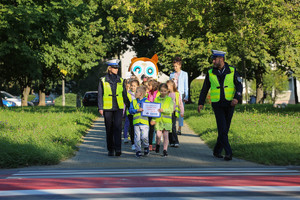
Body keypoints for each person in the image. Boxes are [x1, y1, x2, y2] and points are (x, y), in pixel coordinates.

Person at [197, 50, 243, 161]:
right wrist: (200, 103)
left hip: (230, 103)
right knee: (222, 128)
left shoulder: (232, 70)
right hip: (217, 104)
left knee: (225, 129)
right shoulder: (210, 72)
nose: (213, 61)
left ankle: (217, 150)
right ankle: (228, 153)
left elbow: (239, 86)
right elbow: (205, 89)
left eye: (214, 59)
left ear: (221, 59)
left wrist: (237, 98)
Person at [98, 59, 130, 156]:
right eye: (115, 68)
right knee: (109, 129)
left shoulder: (121, 80)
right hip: (107, 108)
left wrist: (129, 105)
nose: (116, 70)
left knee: (117, 128)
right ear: (110, 68)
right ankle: (110, 149)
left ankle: (118, 149)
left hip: (118, 107)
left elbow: (124, 94)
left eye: (117, 68)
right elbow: (100, 94)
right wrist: (100, 107)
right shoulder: (102, 80)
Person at [150, 83, 174, 157]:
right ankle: (157, 144)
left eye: (165, 91)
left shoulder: (169, 99)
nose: (163, 92)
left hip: (167, 121)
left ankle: (165, 150)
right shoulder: (156, 99)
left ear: (167, 91)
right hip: (158, 121)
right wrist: (153, 119)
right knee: (158, 135)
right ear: (159, 91)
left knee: (166, 136)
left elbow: (171, 109)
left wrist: (163, 110)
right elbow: (154, 110)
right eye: (161, 91)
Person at [129, 86, 150, 158]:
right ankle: (138, 151)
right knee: (137, 138)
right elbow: (130, 110)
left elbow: (151, 111)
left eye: (136, 92)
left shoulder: (147, 102)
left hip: (144, 124)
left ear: (141, 94)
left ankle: (146, 147)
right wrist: (137, 110)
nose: (135, 93)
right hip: (136, 123)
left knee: (144, 137)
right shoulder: (133, 102)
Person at [169, 56, 188, 135]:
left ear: (180, 65)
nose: (175, 68)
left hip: (181, 95)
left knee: (180, 111)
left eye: (176, 66)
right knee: (172, 111)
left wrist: (186, 96)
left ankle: (179, 128)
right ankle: (172, 126)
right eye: (174, 66)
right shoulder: (171, 74)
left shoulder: (184, 74)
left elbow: (186, 85)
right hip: (173, 95)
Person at [167, 80, 184, 147]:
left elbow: (180, 103)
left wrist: (182, 112)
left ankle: (176, 141)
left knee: (173, 127)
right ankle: (171, 141)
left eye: (167, 85)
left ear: (171, 86)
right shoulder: (166, 94)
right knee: (168, 127)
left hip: (173, 113)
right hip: (167, 113)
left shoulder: (176, 94)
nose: (166, 87)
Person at [147, 79, 160, 151]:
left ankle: (157, 145)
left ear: (154, 86)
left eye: (149, 85)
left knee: (157, 129)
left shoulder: (158, 93)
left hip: (156, 114)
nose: (148, 86)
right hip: (149, 114)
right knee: (151, 129)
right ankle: (150, 144)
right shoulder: (148, 93)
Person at [127, 79, 140, 150]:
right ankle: (133, 143)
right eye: (131, 86)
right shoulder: (128, 93)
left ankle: (138, 142)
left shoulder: (140, 93)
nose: (133, 87)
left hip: (138, 113)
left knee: (138, 129)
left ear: (138, 86)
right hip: (130, 113)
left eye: (134, 86)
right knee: (132, 128)